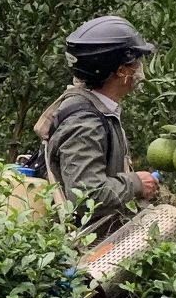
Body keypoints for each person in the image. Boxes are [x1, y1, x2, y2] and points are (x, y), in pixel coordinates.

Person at [27, 14, 159, 243]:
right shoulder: (85, 123)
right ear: (121, 71)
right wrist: (136, 183)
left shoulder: (98, 110)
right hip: (86, 254)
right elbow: (86, 193)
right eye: (135, 61)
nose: (139, 69)